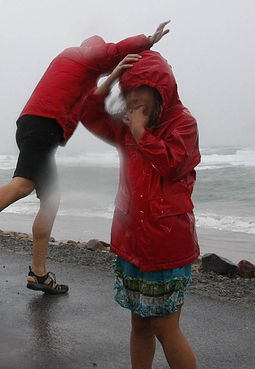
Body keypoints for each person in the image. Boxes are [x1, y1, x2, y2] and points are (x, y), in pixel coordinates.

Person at [0, 21, 170, 294]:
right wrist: (147, 40)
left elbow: (92, 99)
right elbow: (111, 52)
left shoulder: (77, 73)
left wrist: (114, 76)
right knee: (22, 185)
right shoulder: (79, 54)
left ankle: (38, 274)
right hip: (42, 125)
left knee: (50, 200)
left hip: (39, 127)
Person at [80, 49, 200, 369]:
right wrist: (111, 78)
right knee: (140, 325)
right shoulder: (125, 126)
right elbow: (88, 112)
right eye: (127, 92)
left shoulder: (183, 124)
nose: (131, 100)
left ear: (159, 91)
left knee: (165, 326)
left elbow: (173, 166)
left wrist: (142, 135)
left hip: (166, 245)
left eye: (138, 91)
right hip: (132, 243)